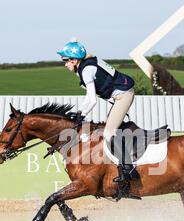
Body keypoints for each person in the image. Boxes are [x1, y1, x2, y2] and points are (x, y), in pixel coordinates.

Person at [57, 39, 138, 189]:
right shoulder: (85, 63)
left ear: (75, 60)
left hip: (124, 96)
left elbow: (92, 99)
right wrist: (80, 112)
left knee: (108, 133)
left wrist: (82, 113)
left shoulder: (87, 70)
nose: (65, 64)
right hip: (120, 95)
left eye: (66, 60)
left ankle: (128, 169)